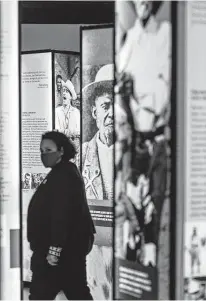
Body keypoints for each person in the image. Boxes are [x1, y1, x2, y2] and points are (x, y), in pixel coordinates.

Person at [117, 0, 171, 249]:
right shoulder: (129, 39)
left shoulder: (164, 34)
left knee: (153, 223)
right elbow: (120, 93)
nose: (144, 2)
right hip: (134, 141)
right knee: (131, 216)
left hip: (156, 140)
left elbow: (162, 96)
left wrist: (139, 98)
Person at [27, 131, 95, 300]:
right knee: (76, 292)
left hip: (59, 253)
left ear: (62, 150)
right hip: (63, 251)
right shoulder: (62, 172)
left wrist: (54, 250)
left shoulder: (64, 175)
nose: (44, 155)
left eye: (48, 150)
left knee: (44, 294)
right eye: (42, 151)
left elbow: (61, 214)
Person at [82, 64, 114, 201]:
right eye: (105, 106)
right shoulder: (82, 155)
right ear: (95, 112)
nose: (112, 114)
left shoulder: (136, 154)